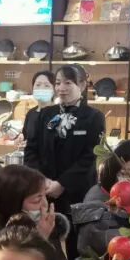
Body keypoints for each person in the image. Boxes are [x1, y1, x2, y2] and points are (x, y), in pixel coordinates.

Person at [23, 65, 105, 222]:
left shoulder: (94, 117)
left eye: (68, 83)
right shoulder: (45, 114)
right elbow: (31, 149)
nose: (61, 88)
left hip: (78, 192)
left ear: (82, 85)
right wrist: (42, 180)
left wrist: (62, 184)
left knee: (75, 233)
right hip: (45, 190)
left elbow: (91, 156)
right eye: (58, 83)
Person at [22, 71, 56, 146]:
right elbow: (26, 136)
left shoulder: (59, 114)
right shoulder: (31, 113)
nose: (41, 88)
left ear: (54, 89)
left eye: (46, 86)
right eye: (38, 85)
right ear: (32, 88)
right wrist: (21, 139)